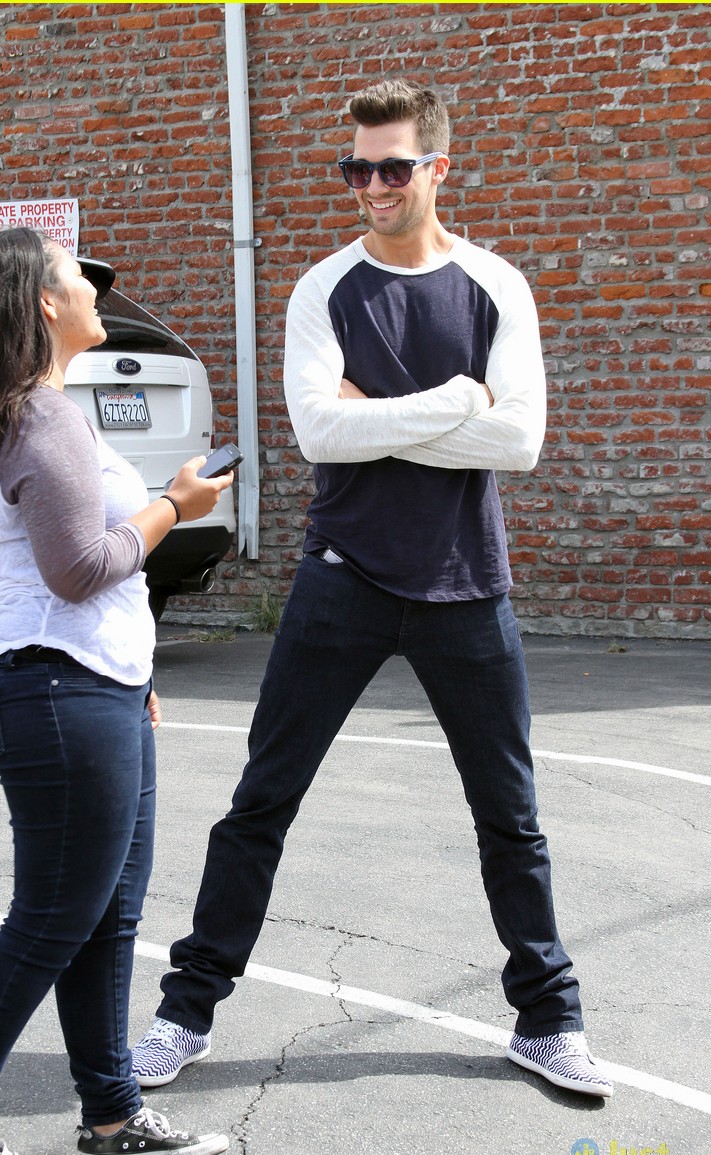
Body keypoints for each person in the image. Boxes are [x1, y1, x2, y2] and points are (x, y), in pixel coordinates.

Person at [131, 79, 613, 1100]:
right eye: (356, 167)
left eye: (393, 167)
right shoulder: (323, 289)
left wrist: (381, 409)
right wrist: (451, 400)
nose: (372, 185)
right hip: (340, 580)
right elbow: (318, 434)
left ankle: (548, 1018)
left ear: (438, 168)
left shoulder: (495, 286)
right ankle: (184, 1013)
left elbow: (518, 444)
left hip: (464, 587)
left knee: (510, 817)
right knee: (259, 803)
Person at [0, 227, 236, 1155]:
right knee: (51, 920)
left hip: (92, 683)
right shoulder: (37, 417)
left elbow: (83, 586)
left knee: (107, 916)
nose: (97, 290)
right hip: (53, 691)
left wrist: (132, 673)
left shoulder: (43, 408)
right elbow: (80, 567)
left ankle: (111, 1114)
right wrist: (175, 504)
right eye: (77, 280)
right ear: (42, 305)